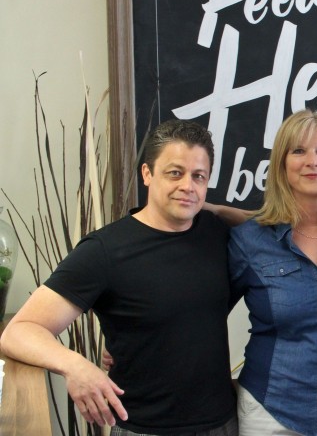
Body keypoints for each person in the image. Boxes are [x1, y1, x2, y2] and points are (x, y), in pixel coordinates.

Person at [0, 120, 237, 435]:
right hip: (142, 427)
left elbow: (274, 222)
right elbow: (19, 332)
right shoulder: (105, 250)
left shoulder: (217, 234)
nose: (187, 186)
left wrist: (215, 209)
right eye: (175, 173)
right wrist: (74, 365)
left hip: (222, 424)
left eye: (198, 176)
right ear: (147, 174)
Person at [227, 110, 317, 435]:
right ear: (281, 163)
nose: (313, 161)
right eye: (299, 151)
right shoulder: (249, 240)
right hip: (270, 413)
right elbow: (203, 315)